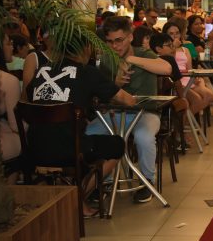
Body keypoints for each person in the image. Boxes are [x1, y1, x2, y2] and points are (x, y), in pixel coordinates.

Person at [27, 38, 134, 216]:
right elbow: (127, 100)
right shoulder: (87, 72)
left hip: (34, 146)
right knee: (116, 145)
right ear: (85, 49)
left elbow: (29, 98)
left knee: (80, 139)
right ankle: (77, 198)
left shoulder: (42, 70)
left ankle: (64, 196)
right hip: (70, 148)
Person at [87, 16, 172, 203]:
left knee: (144, 137)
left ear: (130, 37)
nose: (115, 46)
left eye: (119, 40)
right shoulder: (105, 59)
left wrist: (131, 59)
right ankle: (103, 181)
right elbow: (99, 93)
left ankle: (147, 181)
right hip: (114, 113)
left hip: (146, 112)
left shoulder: (144, 53)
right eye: (110, 41)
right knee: (89, 134)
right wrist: (115, 84)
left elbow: (167, 68)